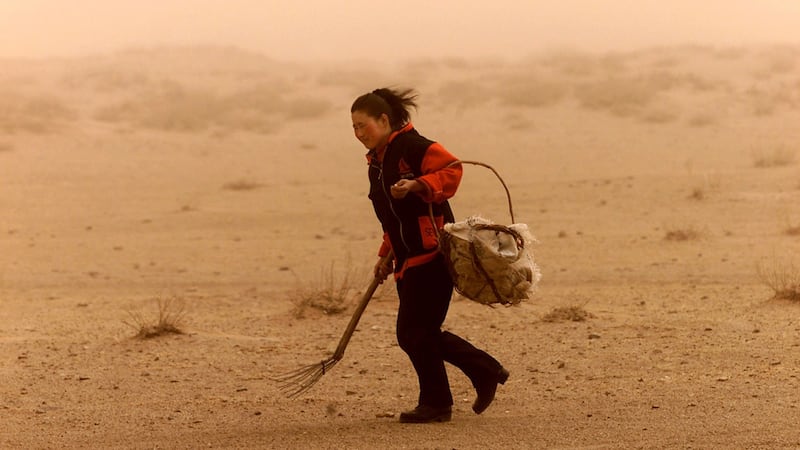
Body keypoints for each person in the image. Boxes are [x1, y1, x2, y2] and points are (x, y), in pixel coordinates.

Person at [350, 87, 509, 423]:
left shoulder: (414, 147)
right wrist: (384, 255)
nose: (359, 134)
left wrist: (418, 185)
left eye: (364, 125)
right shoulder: (376, 165)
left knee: (413, 333)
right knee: (420, 333)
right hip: (407, 257)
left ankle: (458, 387)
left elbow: (452, 170)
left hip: (433, 253)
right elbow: (393, 220)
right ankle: (458, 388)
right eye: (354, 128)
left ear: (384, 119)